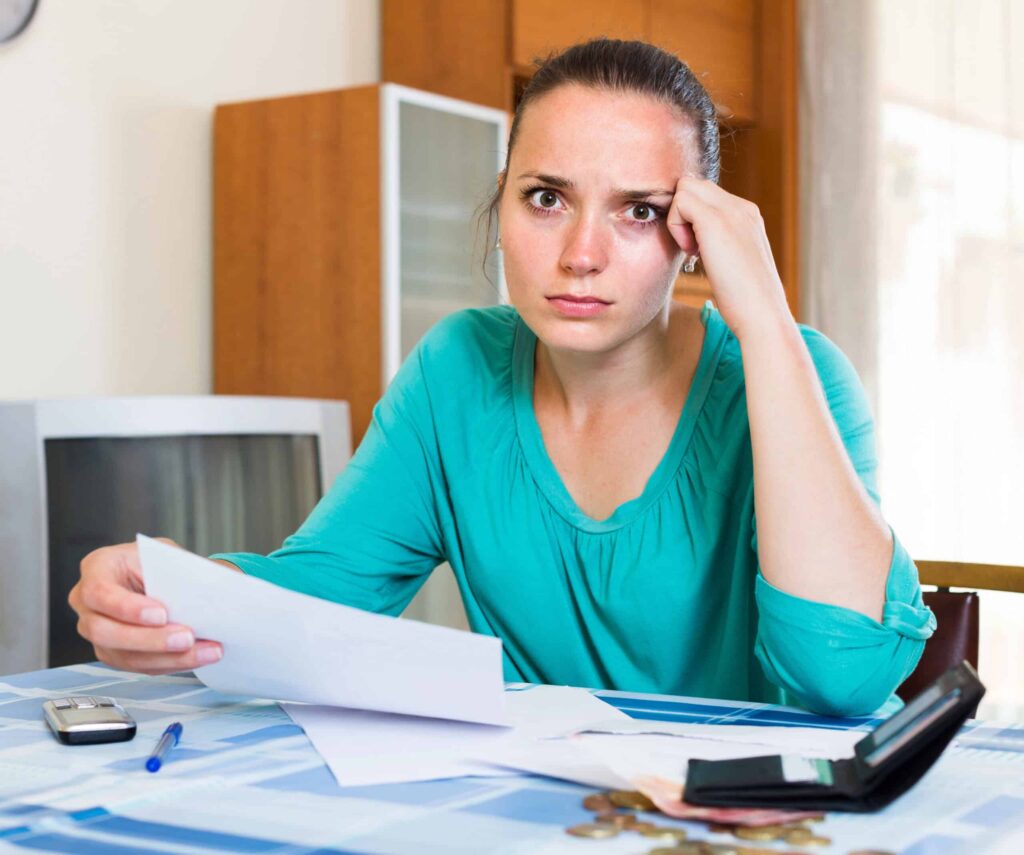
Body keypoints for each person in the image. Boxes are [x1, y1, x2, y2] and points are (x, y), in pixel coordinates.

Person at [69, 38, 935, 716]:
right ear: (503, 202)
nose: (581, 254)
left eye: (638, 211)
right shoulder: (457, 371)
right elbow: (319, 594)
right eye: (546, 197)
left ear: (698, 232)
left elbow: (841, 679)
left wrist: (765, 322)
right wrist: (175, 588)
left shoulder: (797, 371)